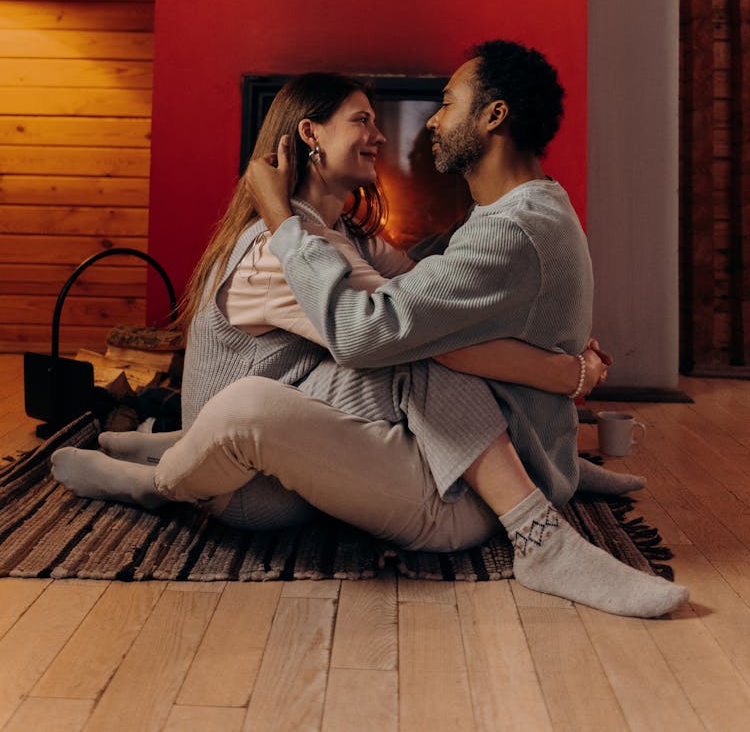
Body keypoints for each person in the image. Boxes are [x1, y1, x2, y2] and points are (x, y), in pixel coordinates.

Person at [52, 53, 687, 616]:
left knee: (413, 338)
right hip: (251, 484)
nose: (397, 132)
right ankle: (162, 478)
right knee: (390, 348)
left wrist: (562, 376)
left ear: (493, 118)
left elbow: (412, 303)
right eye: (362, 121)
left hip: (355, 454)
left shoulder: (364, 238)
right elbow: (378, 328)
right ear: (310, 135)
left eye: (445, 103)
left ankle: (545, 483)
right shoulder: (290, 248)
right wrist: (562, 374)